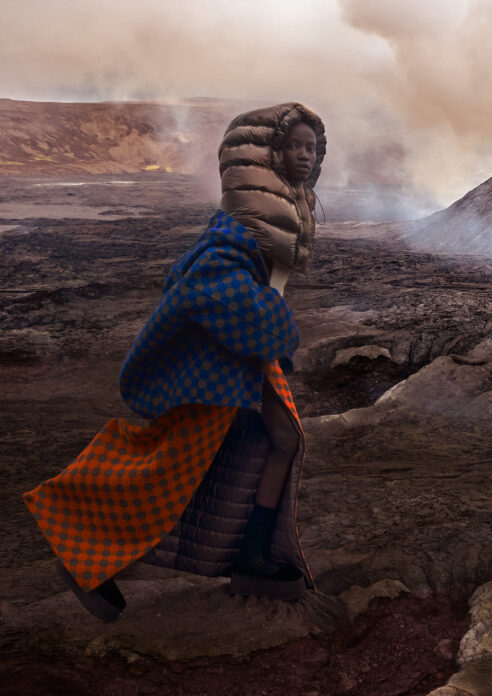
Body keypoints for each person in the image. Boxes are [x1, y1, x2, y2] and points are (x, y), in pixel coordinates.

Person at [22, 103, 327, 622]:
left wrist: (268, 336)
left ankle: (251, 558)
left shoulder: (264, 226)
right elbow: (205, 286)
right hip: (221, 365)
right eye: (295, 145)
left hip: (245, 360)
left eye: (312, 148)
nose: (305, 155)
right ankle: (81, 554)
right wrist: (274, 328)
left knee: (278, 441)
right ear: (268, 154)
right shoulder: (235, 230)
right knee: (174, 468)